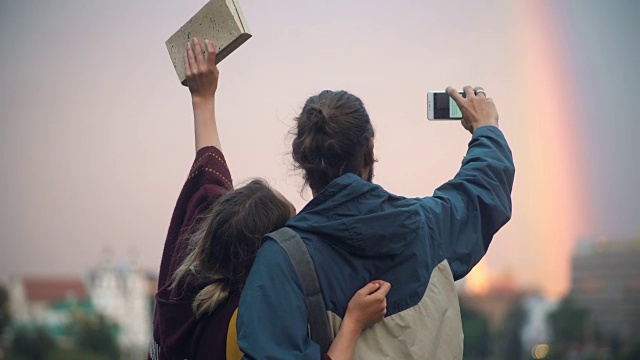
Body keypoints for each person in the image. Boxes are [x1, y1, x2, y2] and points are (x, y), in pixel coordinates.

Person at [148, 38, 391, 360]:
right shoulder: (246, 327)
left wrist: (202, 97)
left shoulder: (183, 282)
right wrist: (353, 324)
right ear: (265, 255)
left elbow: (208, 170)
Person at [237, 87, 515, 359]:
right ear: (370, 151)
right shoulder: (428, 226)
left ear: (302, 160)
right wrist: (486, 128)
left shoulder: (280, 261)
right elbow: (482, 190)